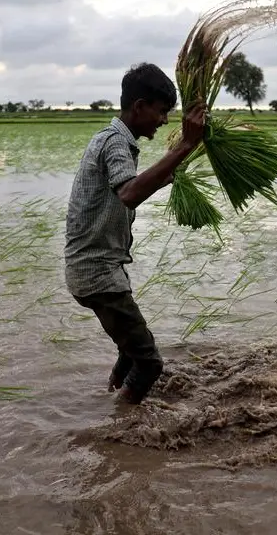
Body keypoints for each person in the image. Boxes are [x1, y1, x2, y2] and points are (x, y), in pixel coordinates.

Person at [64, 62, 206, 405]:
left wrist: (171, 172)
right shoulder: (114, 143)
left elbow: (126, 191)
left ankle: (109, 395)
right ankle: (118, 428)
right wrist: (184, 145)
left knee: (129, 352)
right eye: (161, 112)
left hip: (98, 271)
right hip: (97, 275)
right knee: (150, 363)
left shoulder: (115, 141)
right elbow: (129, 193)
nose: (164, 120)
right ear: (139, 106)